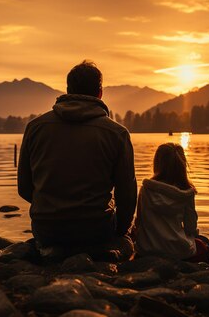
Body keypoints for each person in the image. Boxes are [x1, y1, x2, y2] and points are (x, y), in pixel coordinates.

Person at [17, 60, 137, 261]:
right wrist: (120, 232)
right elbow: (127, 195)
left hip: (47, 229)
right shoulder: (117, 133)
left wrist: (54, 208)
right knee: (128, 243)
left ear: (68, 89)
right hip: (95, 229)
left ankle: (50, 252)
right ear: (100, 92)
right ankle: (102, 253)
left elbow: (24, 188)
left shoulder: (35, 127)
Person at [134, 143, 209, 263]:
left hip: (147, 250)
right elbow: (190, 227)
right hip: (178, 252)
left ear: (157, 163)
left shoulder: (146, 189)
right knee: (206, 243)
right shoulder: (187, 192)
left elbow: (139, 222)